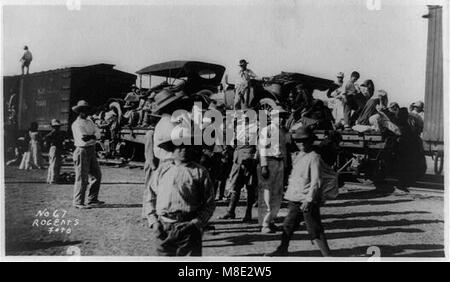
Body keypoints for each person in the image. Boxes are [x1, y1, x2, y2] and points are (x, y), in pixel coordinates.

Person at [144, 133, 216, 256]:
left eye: (187, 147)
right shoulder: (162, 170)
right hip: (164, 226)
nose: (184, 150)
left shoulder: (199, 172)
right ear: (173, 150)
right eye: (179, 147)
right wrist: (154, 222)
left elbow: (209, 203)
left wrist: (196, 223)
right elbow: (150, 197)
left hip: (188, 227)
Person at [266, 126, 331, 257]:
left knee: (314, 228)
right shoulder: (299, 155)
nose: (300, 144)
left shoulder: (314, 157)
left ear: (311, 141)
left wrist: (309, 199)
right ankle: (282, 249)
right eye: (298, 141)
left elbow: (316, 181)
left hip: (307, 200)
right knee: (288, 225)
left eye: (304, 141)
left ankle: (328, 256)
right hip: (295, 199)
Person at [220, 111, 258, 221]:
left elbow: (259, 146)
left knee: (250, 187)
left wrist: (254, 158)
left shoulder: (255, 128)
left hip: (249, 161)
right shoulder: (237, 129)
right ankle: (230, 211)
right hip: (237, 160)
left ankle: (248, 213)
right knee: (235, 186)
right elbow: (232, 144)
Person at [257, 108, 290, 233]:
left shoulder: (283, 132)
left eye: (283, 117)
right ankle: (264, 223)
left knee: (277, 193)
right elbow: (263, 148)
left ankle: (271, 220)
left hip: (280, 162)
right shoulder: (267, 130)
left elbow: (285, 150)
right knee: (266, 194)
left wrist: (285, 166)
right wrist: (264, 166)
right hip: (269, 162)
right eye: (278, 116)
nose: (281, 119)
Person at [71, 100, 103, 209]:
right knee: (82, 177)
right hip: (82, 150)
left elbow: (98, 134)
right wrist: (93, 136)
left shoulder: (90, 122)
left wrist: (92, 136)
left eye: (86, 110)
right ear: (79, 112)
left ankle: (92, 199)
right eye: (82, 110)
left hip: (91, 150)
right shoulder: (77, 124)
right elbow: (84, 139)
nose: (85, 112)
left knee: (96, 175)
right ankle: (78, 201)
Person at [45, 119, 65, 184]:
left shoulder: (51, 133)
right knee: (55, 164)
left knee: (52, 163)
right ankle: (53, 179)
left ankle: (50, 178)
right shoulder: (56, 133)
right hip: (55, 148)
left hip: (53, 148)